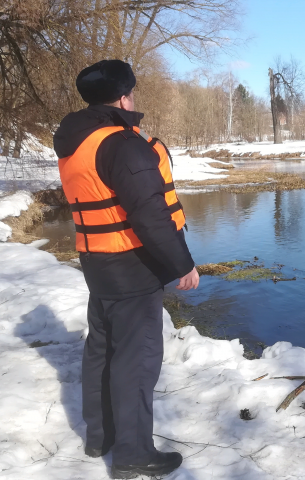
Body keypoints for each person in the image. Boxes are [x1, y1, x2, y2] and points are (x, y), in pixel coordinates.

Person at [53, 59, 199, 479]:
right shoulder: (123, 143)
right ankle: (134, 454)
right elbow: (150, 214)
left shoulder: (77, 139)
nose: (133, 97)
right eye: (132, 91)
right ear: (122, 96)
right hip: (131, 264)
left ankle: (101, 435)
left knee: (101, 349)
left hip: (96, 260)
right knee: (137, 358)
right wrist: (182, 264)